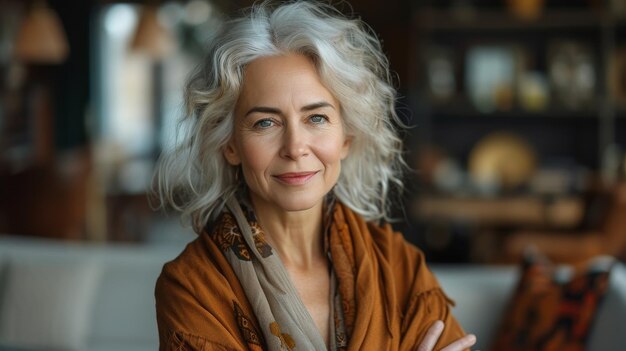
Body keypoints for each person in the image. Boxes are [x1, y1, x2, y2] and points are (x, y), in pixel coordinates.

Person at [153, 1, 476, 350]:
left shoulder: (398, 266)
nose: (295, 147)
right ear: (230, 145)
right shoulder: (192, 287)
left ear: (346, 139)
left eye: (317, 118)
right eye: (266, 122)